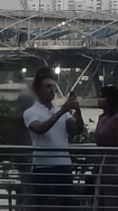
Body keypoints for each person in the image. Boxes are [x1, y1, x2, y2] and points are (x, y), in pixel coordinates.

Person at [23, 71, 85, 209]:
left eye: (53, 86)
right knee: (43, 206)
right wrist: (62, 111)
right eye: (48, 87)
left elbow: (77, 129)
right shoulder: (30, 112)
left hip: (64, 166)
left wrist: (78, 111)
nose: (52, 90)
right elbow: (40, 129)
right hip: (43, 167)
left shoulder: (60, 111)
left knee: (66, 206)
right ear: (38, 89)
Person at [92, 85, 118, 210]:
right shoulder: (101, 118)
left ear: (110, 99)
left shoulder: (117, 119)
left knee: (112, 201)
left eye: (102, 97)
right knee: (100, 200)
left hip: (113, 168)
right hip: (100, 167)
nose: (98, 99)